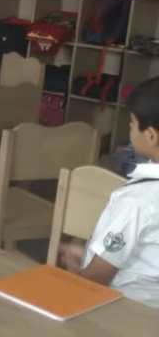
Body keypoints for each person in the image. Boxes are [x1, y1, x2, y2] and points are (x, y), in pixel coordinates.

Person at [58, 77, 159, 308]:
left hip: (125, 311)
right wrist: (89, 253)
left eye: (132, 123)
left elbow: (96, 278)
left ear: (151, 135)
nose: (130, 129)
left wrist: (75, 272)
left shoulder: (137, 200)